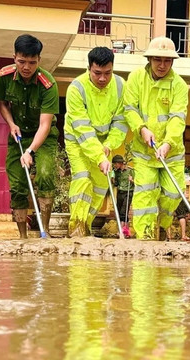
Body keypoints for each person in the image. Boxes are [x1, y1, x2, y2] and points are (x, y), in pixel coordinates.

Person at [123, 36, 189, 240]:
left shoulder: (179, 85)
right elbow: (129, 109)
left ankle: (162, 224)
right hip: (144, 152)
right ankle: (145, 238)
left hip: (171, 153)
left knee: (173, 193)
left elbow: (178, 118)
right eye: (158, 60)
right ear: (150, 59)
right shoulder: (135, 78)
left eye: (167, 61)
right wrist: (142, 129)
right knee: (145, 195)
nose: (162, 65)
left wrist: (168, 143)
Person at [0, 34, 59, 239]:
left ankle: (45, 231)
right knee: (17, 185)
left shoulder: (48, 83)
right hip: (18, 135)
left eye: (32, 62)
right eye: (22, 61)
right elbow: (3, 104)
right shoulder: (4, 76)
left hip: (43, 136)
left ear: (39, 60)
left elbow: (45, 125)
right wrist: (11, 123)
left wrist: (31, 151)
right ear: (14, 57)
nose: (26, 67)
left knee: (46, 173)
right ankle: (22, 236)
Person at [64, 47, 127, 237]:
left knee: (100, 188)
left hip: (105, 142)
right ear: (88, 68)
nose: (102, 78)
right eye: (97, 73)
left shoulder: (120, 86)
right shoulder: (76, 88)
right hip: (78, 140)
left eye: (107, 73)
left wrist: (108, 145)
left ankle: (86, 226)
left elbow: (120, 122)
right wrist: (99, 156)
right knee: (82, 179)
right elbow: (82, 128)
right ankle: (76, 228)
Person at [112, 155, 134, 238]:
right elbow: (116, 183)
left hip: (128, 192)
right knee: (119, 211)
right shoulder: (116, 172)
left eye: (115, 164)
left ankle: (121, 231)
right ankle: (126, 231)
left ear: (119, 163)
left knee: (123, 211)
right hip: (120, 192)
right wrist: (113, 181)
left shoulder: (130, 171)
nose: (114, 165)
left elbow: (137, 183)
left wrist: (131, 180)